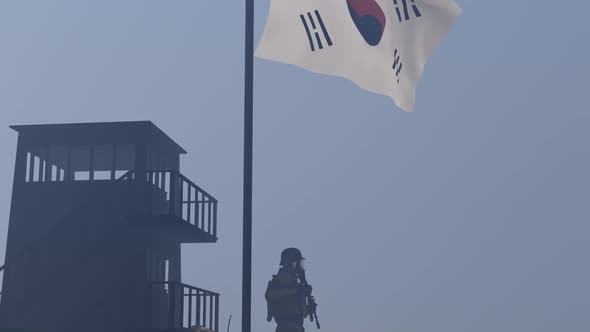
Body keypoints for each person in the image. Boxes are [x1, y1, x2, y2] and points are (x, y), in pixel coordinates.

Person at [265, 248, 313, 332]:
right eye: (297, 262)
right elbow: (270, 295)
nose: (299, 266)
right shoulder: (280, 279)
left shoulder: (296, 282)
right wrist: (296, 291)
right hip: (286, 326)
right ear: (290, 262)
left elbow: (303, 313)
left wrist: (309, 308)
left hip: (296, 326)